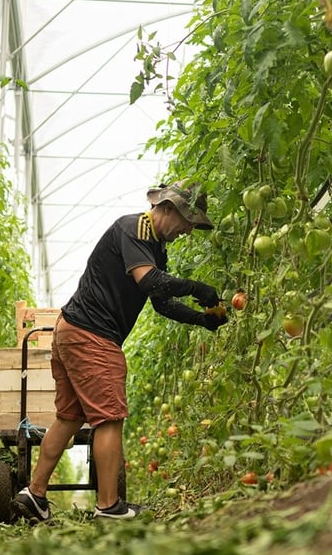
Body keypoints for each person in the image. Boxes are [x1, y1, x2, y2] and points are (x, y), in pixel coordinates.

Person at [13, 182, 227, 522]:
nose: (187, 230)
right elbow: (149, 282)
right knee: (109, 417)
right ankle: (109, 507)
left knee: (69, 417)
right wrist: (196, 287)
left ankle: (35, 494)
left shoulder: (155, 248)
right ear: (168, 209)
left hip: (72, 330)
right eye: (187, 222)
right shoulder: (134, 228)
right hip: (93, 335)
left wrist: (202, 319)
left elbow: (162, 304)